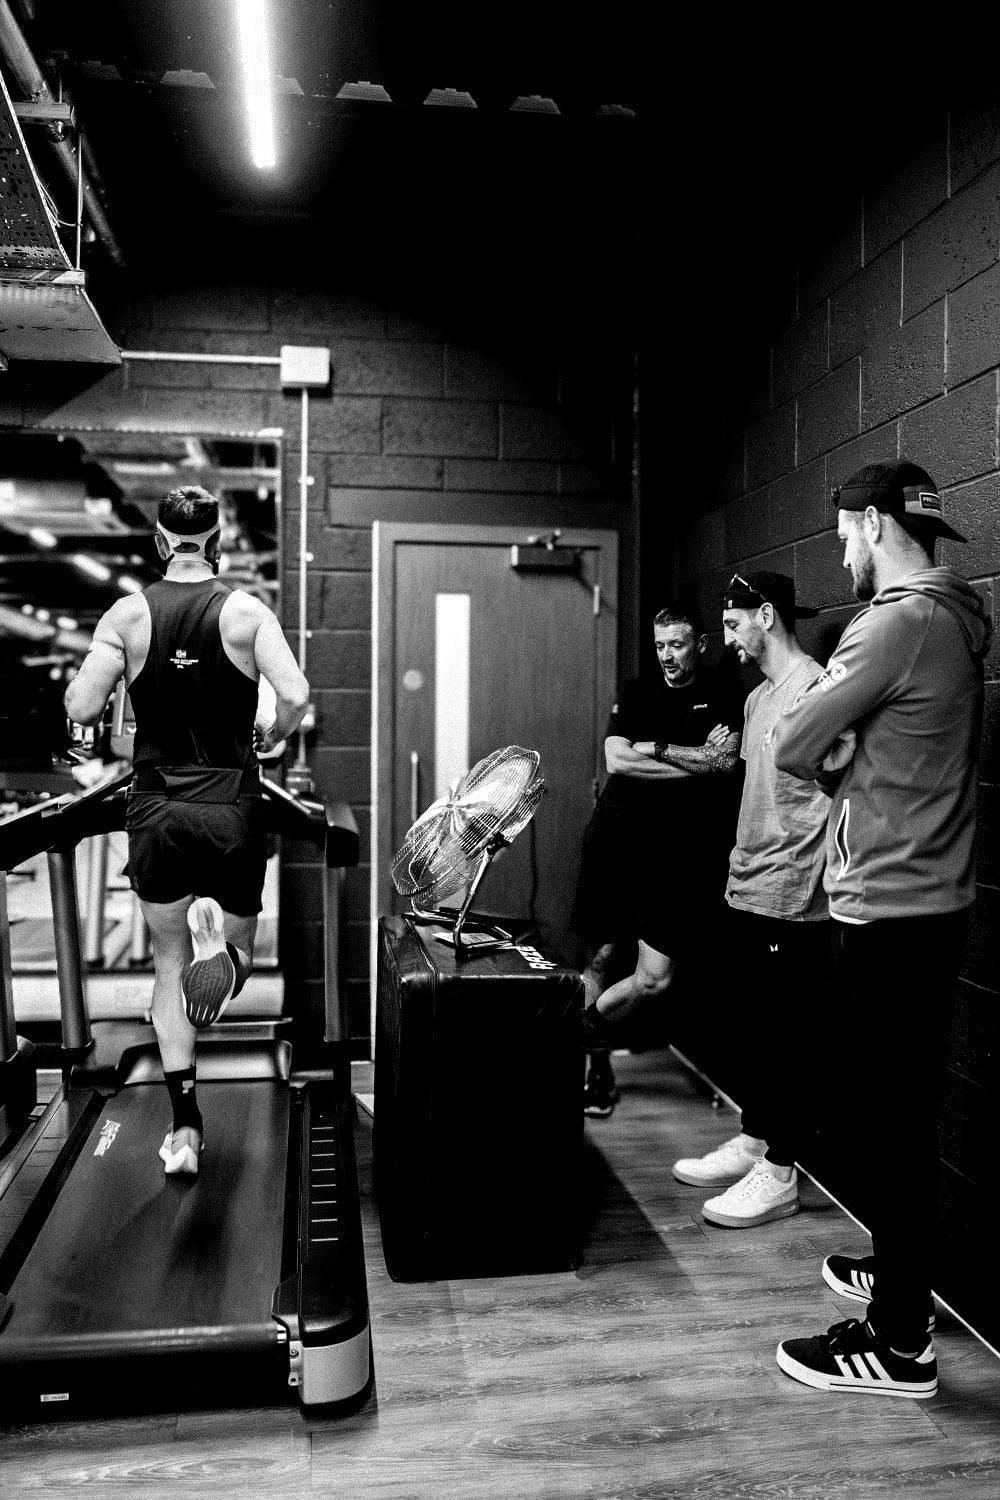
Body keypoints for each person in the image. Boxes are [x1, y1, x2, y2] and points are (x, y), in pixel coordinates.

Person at [770, 460, 990, 1399]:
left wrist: (836, 756)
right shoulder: (957, 617)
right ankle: (903, 1273)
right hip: (925, 904)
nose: (841, 552)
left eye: (842, 535)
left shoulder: (898, 621)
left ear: (870, 524)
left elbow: (788, 738)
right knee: (896, 1112)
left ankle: (900, 1342)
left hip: (893, 909)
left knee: (891, 1126)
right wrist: (848, 753)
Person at [64, 485, 310, 1177]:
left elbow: (82, 704)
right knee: (235, 964)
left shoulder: (128, 614)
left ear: (161, 540)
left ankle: (185, 1128)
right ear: (218, 539)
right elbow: (293, 695)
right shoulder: (244, 612)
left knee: (168, 969)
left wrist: (97, 709)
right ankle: (225, 957)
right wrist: (271, 730)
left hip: (158, 807)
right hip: (231, 801)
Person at [671, 572, 832, 1228]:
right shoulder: (757, 698)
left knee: (785, 1037)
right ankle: (756, 1138)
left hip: (793, 893)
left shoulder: (817, 689)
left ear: (766, 615)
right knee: (754, 1032)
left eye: (734, 625)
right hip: (747, 884)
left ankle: (780, 1171)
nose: (727, 640)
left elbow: (831, 794)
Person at [573, 602, 743, 1117]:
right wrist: (694, 761)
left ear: (701, 644)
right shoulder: (636, 691)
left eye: (678, 644)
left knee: (655, 979)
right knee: (600, 957)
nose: (667, 655)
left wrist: (654, 748)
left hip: (674, 855)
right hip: (615, 839)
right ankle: (595, 1069)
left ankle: (580, 1036)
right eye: (660, 645)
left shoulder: (722, 693)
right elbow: (616, 759)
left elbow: (727, 763)